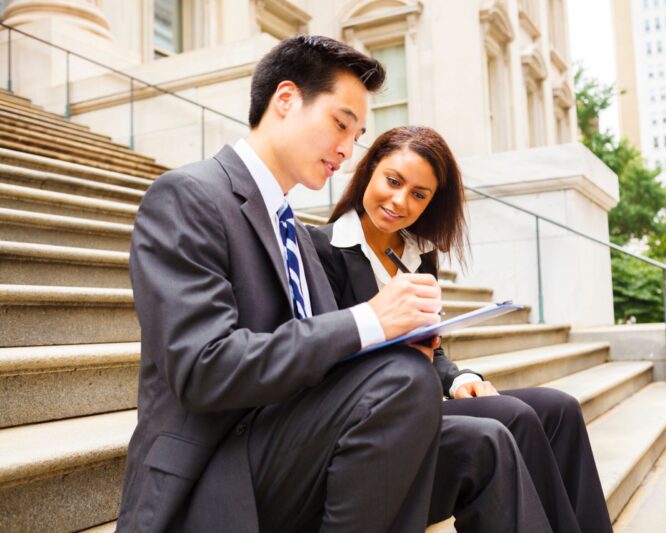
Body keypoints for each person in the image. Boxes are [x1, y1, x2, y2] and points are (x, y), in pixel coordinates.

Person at [117, 35, 547, 532]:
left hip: (293, 444)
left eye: (356, 132)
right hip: (217, 470)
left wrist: (404, 340)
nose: (347, 148)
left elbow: (327, 365)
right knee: (401, 383)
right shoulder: (189, 196)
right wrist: (370, 320)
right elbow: (203, 368)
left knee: (485, 443)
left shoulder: (294, 233)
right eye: (340, 124)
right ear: (285, 101)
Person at [310, 125, 614, 533]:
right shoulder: (321, 250)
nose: (400, 201)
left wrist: (459, 379)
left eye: (419, 194)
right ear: (369, 172)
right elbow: (323, 349)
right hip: (375, 412)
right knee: (515, 416)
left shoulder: (419, 256)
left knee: (560, 408)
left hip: (424, 395)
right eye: (393, 181)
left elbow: (431, 350)